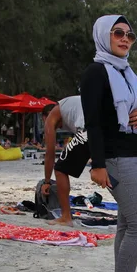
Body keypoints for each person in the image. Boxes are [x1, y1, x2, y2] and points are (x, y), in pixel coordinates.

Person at [80, 14, 137, 272]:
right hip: (115, 158)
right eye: (118, 33)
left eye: (130, 35)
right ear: (103, 36)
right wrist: (97, 165)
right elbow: (94, 124)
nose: (125, 39)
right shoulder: (95, 73)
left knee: (127, 223)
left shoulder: (127, 72)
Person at [41, 97, 87, 227]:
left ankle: (66, 217)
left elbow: (50, 153)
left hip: (88, 129)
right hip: (104, 127)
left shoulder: (51, 116)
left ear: (45, 116)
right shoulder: (70, 108)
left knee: (60, 169)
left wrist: (47, 181)